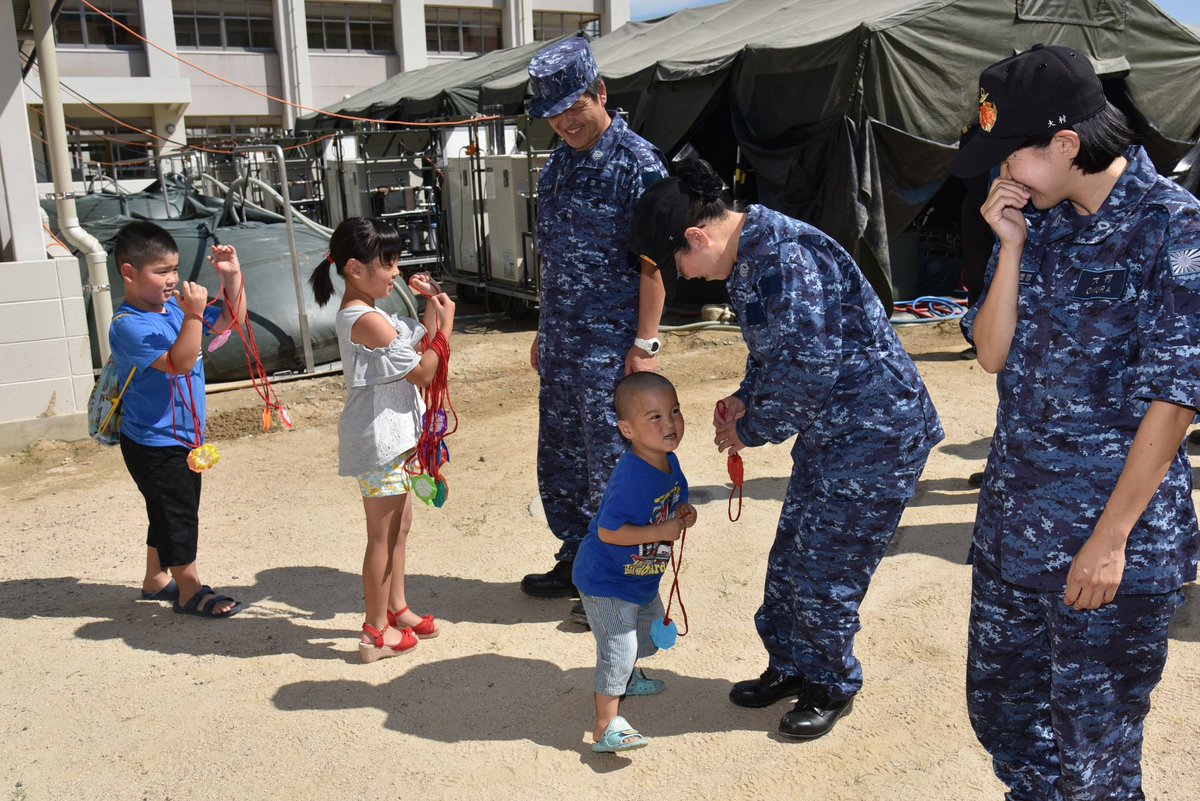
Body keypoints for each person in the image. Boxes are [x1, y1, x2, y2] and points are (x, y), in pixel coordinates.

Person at [948, 44, 1200, 800]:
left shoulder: (1173, 230)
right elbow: (991, 353)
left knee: (1095, 759)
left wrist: (1109, 539)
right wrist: (1012, 250)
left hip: (1106, 546)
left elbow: (1175, 399)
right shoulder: (1037, 218)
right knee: (1003, 717)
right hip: (1014, 533)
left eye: (1009, 157)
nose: (1001, 176)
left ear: (1064, 145)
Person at [628, 159, 944, 740]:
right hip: (834, 430)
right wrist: (745, 399)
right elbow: (772, 353)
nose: (687, 279)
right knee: (792, 557)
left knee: (826, 570)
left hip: (877, 433)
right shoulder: (750, 258)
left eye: (679, 266)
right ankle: (793, 665)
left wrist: (752, 429)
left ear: (698, 236)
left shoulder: (787, 256)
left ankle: (832, 683)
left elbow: (809, 369)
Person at [520, 34, 670, 627]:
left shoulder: (639, 165)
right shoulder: (558, 165)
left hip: (613, 348)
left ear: (599, 93)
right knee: (563, 460)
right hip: (563, 342)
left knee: (616, 465)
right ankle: (577, 558)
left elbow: (655, 263)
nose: (563, 124)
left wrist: (647, 343)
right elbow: (553, 258)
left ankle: (615, 590)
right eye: (552, 114)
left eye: (573, 109)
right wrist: (543, 327)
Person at [309, 217, 455, 663]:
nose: (395, 272)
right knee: (381, 535)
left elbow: (418, 343)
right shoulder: (364, 319)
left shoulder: (377, 315)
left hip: (395, 439)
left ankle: (397, 608)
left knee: (400, 527)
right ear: (355, 269)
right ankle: (375, 631)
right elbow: (424, 368)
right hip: (378, 442)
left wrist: (432, 306)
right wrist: (446, 327)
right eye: (388, 263)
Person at [111, 220, 247, 618]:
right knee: (178, 513)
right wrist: (192, 315)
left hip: (183, 435)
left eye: (174, 269)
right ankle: (189, 589)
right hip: (154, 440)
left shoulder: (173, 308)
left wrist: (233, 276)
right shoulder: (129, 325)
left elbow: (229, 321)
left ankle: (156, 578)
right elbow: (180, 361)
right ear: (129, 273)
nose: (172, 280)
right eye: (161, 271)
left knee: (166, 507)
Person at [573, 372, 697, 752]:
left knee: (645, 633)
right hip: (606, 580)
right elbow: (610, 532)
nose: (670, 423)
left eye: (673, 411)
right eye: (654, 417)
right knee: (619, 647)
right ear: (627, 429)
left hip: (640, 578)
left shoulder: (668, 462)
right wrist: (661, 531)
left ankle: (627, 680)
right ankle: (604, 725)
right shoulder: (630, 476)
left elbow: (674, 500)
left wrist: (683, 513)